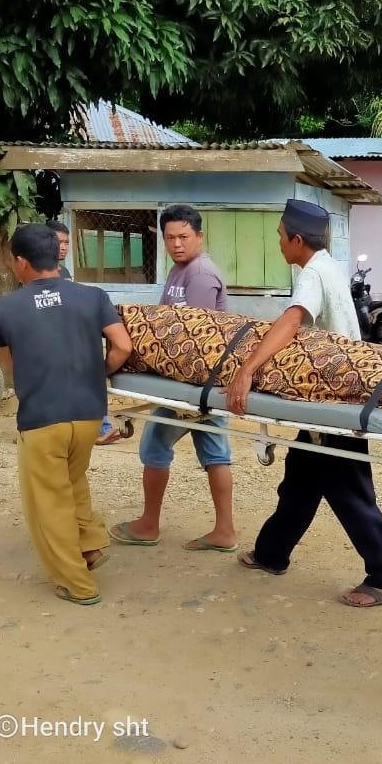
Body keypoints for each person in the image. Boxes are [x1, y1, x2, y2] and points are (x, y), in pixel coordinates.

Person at [228, 199, 382, 608]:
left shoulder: (311, 274)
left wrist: (247, 368)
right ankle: (272, 553)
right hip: (331, 393)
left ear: (296, 239)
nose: (278, 244)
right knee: (300, 482)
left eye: (279, 237)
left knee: (349, 490)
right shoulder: (328, 265)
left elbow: (291, 323)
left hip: (335, 399)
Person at [0, 223, 133, 606]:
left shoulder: (4, 309)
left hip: (41, 417)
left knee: (48, 502)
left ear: (20, 262)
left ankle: (77, 584)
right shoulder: (93, 296)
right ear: (56, 256)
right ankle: (90, 547)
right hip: (88, 414)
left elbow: (10, 366)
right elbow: (122, 345)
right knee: (72, 480)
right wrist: (97, 371)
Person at [110, 205, 236, 552]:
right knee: (214, 451)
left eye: (184, 236)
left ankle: (149, 525)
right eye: (170, 237)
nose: (177, 244)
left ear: (199, 236)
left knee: (154, 445)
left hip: (194, 384)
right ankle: (224, 531)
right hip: (196, 383)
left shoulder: (200, 275)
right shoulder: (179, 271)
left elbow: (194, 339)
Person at [46, 218, 120, 445]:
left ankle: (101, 427)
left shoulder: (63, 270)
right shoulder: (39, 273)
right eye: (59, 242)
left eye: (67, 242)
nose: (64, 247)